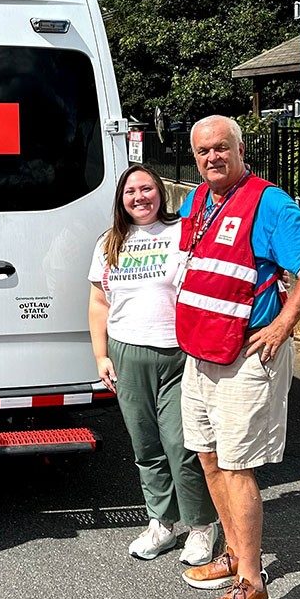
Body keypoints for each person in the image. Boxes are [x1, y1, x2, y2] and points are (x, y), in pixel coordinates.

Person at [176, 115, 300, 599]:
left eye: (221, 148)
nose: (211, 158)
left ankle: (253, 584)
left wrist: (286, 324)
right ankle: (233, 551)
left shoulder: (266, 202)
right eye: (203, 151)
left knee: (237, 464)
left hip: (246, 354)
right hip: (202, 352)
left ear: (241, 150)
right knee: (208, 457)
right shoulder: (199, 200)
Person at [88, 164, 217, 567]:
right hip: (128, 354)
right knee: (146, 446)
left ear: (160, 192)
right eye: (131, 192)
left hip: (179, 354)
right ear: (121, 200)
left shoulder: (182, 234)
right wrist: (101, 355)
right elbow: (98, 303)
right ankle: (161, 522)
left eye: (146, 188)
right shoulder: (111, 241)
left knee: (182, 446)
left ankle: (201, 526)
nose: (139, 197)